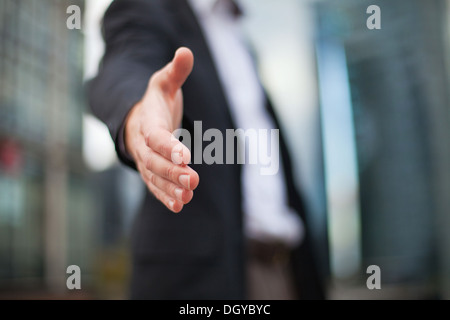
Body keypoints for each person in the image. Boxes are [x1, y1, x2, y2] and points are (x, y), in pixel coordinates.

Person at [89, 0, 325, 299]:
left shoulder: (241, 37)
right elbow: (124, 65)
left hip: (288, 268)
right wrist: (138, 113)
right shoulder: (148, 7)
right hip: (203, 280)